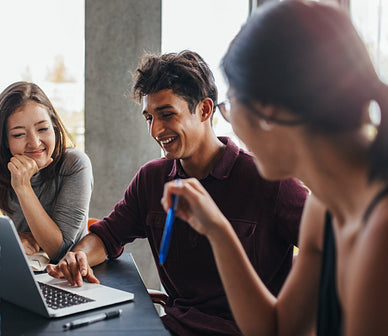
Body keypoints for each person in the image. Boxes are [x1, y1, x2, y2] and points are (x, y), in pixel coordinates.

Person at [161, 1, 388, 335]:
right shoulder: (324, 207)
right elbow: (278, 329)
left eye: (229, 105)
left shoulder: (380, 229)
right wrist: (217, 231)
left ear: (269, 111)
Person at [47, 51, 308, 335]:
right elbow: (107, 235)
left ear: (205, 110)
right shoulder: (152, 179)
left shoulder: (270, 182)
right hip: (171, 327)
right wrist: (79, 256)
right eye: (149, 118)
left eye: (167, 115)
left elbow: (334, 252)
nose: (155, 130)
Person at [0, 81, 93, 262]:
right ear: (4, 141)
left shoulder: (74, 164)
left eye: (43, 129)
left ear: (54, 127)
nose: (34, 142)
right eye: (18, 134)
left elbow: (60, 250)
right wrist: (9, 237)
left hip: (72, 277)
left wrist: (23, 186)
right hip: (22, 273)